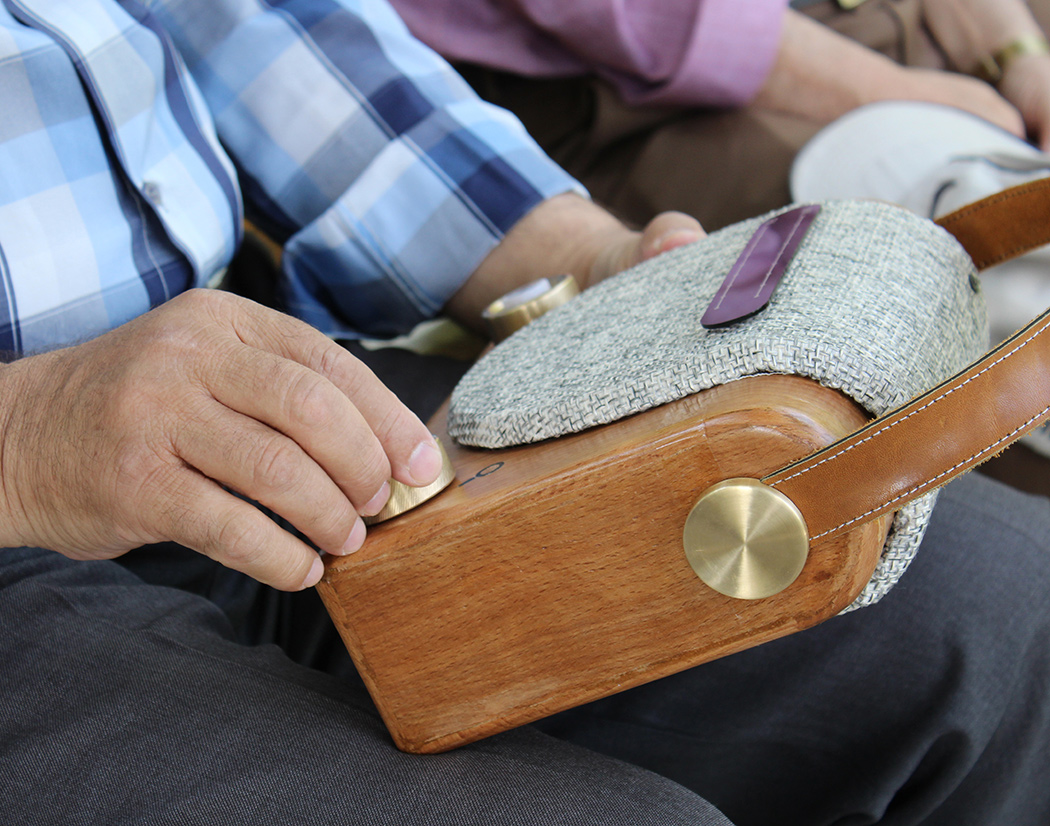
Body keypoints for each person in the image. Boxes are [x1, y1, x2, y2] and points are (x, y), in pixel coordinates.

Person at [1, 2, 1049, 826]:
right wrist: (31, 434)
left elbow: (258, 24)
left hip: (250, 394)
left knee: (1012, 620)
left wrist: (578, 266)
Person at [387, 0, 1050, 230]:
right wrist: (899, 94)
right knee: (945, 226)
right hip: (616, 82)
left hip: (879, 28)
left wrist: (1015, 51)